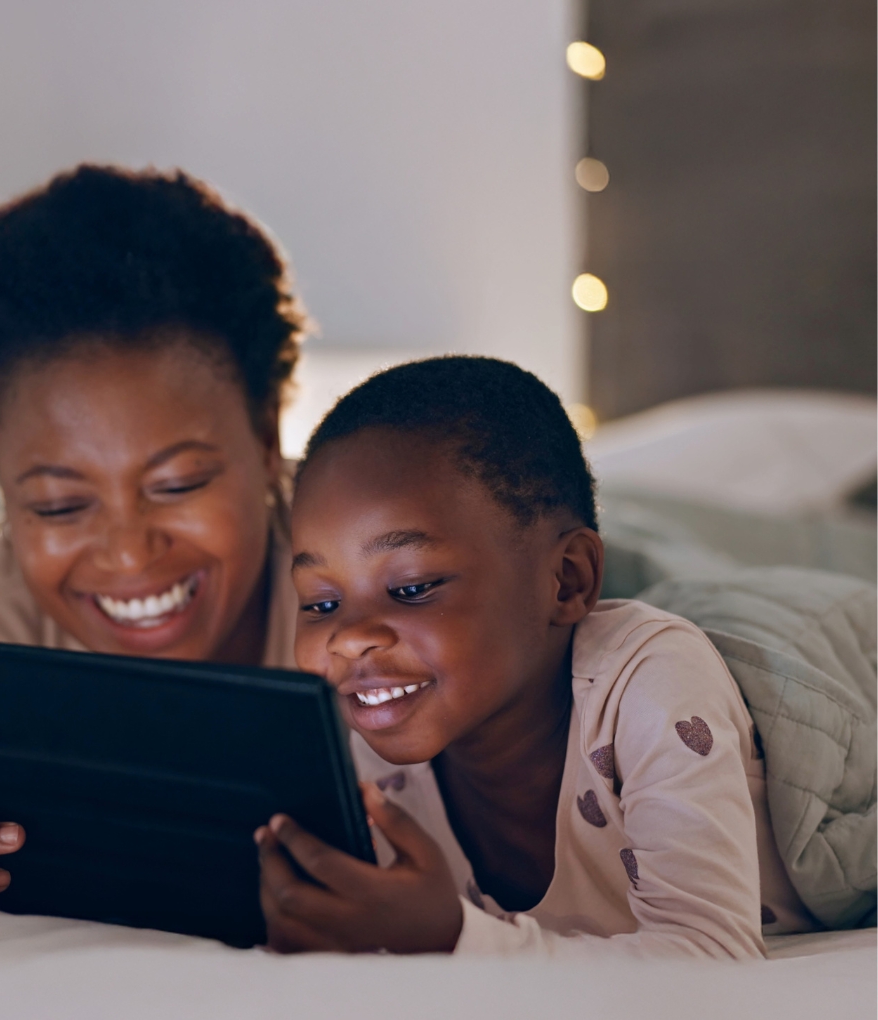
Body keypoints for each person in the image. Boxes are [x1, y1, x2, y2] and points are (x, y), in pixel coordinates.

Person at [0, 164, 311, 907]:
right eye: (57, 506)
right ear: (0, 486)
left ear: (268, 434)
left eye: (177, 486)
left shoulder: (389, 581)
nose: (130, 553)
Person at [249, 356, 815, 956]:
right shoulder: (367, 764)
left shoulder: (650, 684)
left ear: (566, 581)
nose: (348, 638)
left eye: (412, 588)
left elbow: (713, 961)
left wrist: (454, 938)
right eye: (321, 602)